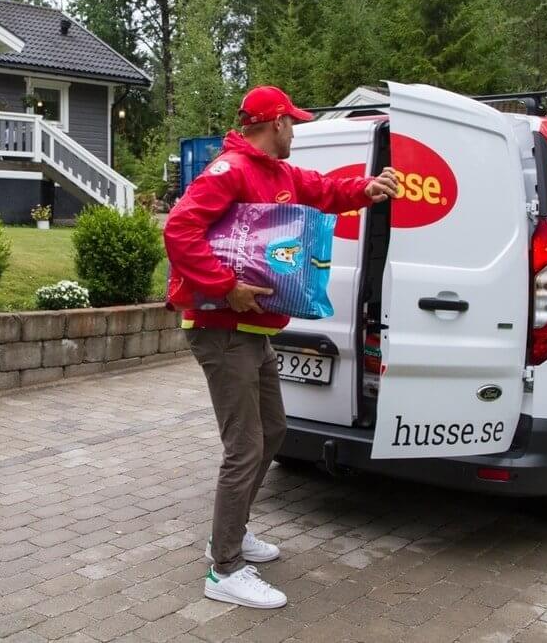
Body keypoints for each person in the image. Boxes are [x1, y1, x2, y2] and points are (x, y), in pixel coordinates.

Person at [163, 86, 399, 609]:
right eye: (291, 122)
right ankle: (224, 569)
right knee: (245, 446)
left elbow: (325, 190)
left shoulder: (279, 174)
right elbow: (179, 231)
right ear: (275, 124)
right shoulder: (229, 171)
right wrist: (226, 286)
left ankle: (231, 532)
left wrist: (368, 188)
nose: (295, 129)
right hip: (221, 327)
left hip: (252, 330)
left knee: (273, 430)